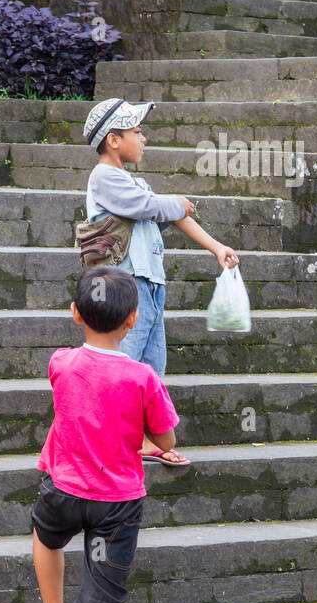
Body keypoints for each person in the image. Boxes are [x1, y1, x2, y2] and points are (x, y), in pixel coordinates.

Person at [23, 265, 180, 603]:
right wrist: (157, 446)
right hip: (114, 507)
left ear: (74, 314)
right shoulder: (142, 377)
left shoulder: (61, 363)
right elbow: (165, 439)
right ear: (133, 320)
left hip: (64, 490)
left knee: (46, 538)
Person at [82, 97, 239, 467]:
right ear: (113, 140)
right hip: (124, 287)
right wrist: (178, 202)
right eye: (137, 132)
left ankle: (147, 442)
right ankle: (107, 442)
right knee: (122, 365)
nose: (144, 138)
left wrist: (216, 247)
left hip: (150, 287)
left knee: (151, 367)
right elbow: (151, 207)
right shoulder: (104, 177)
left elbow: (168, 212)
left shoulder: (137, 183)